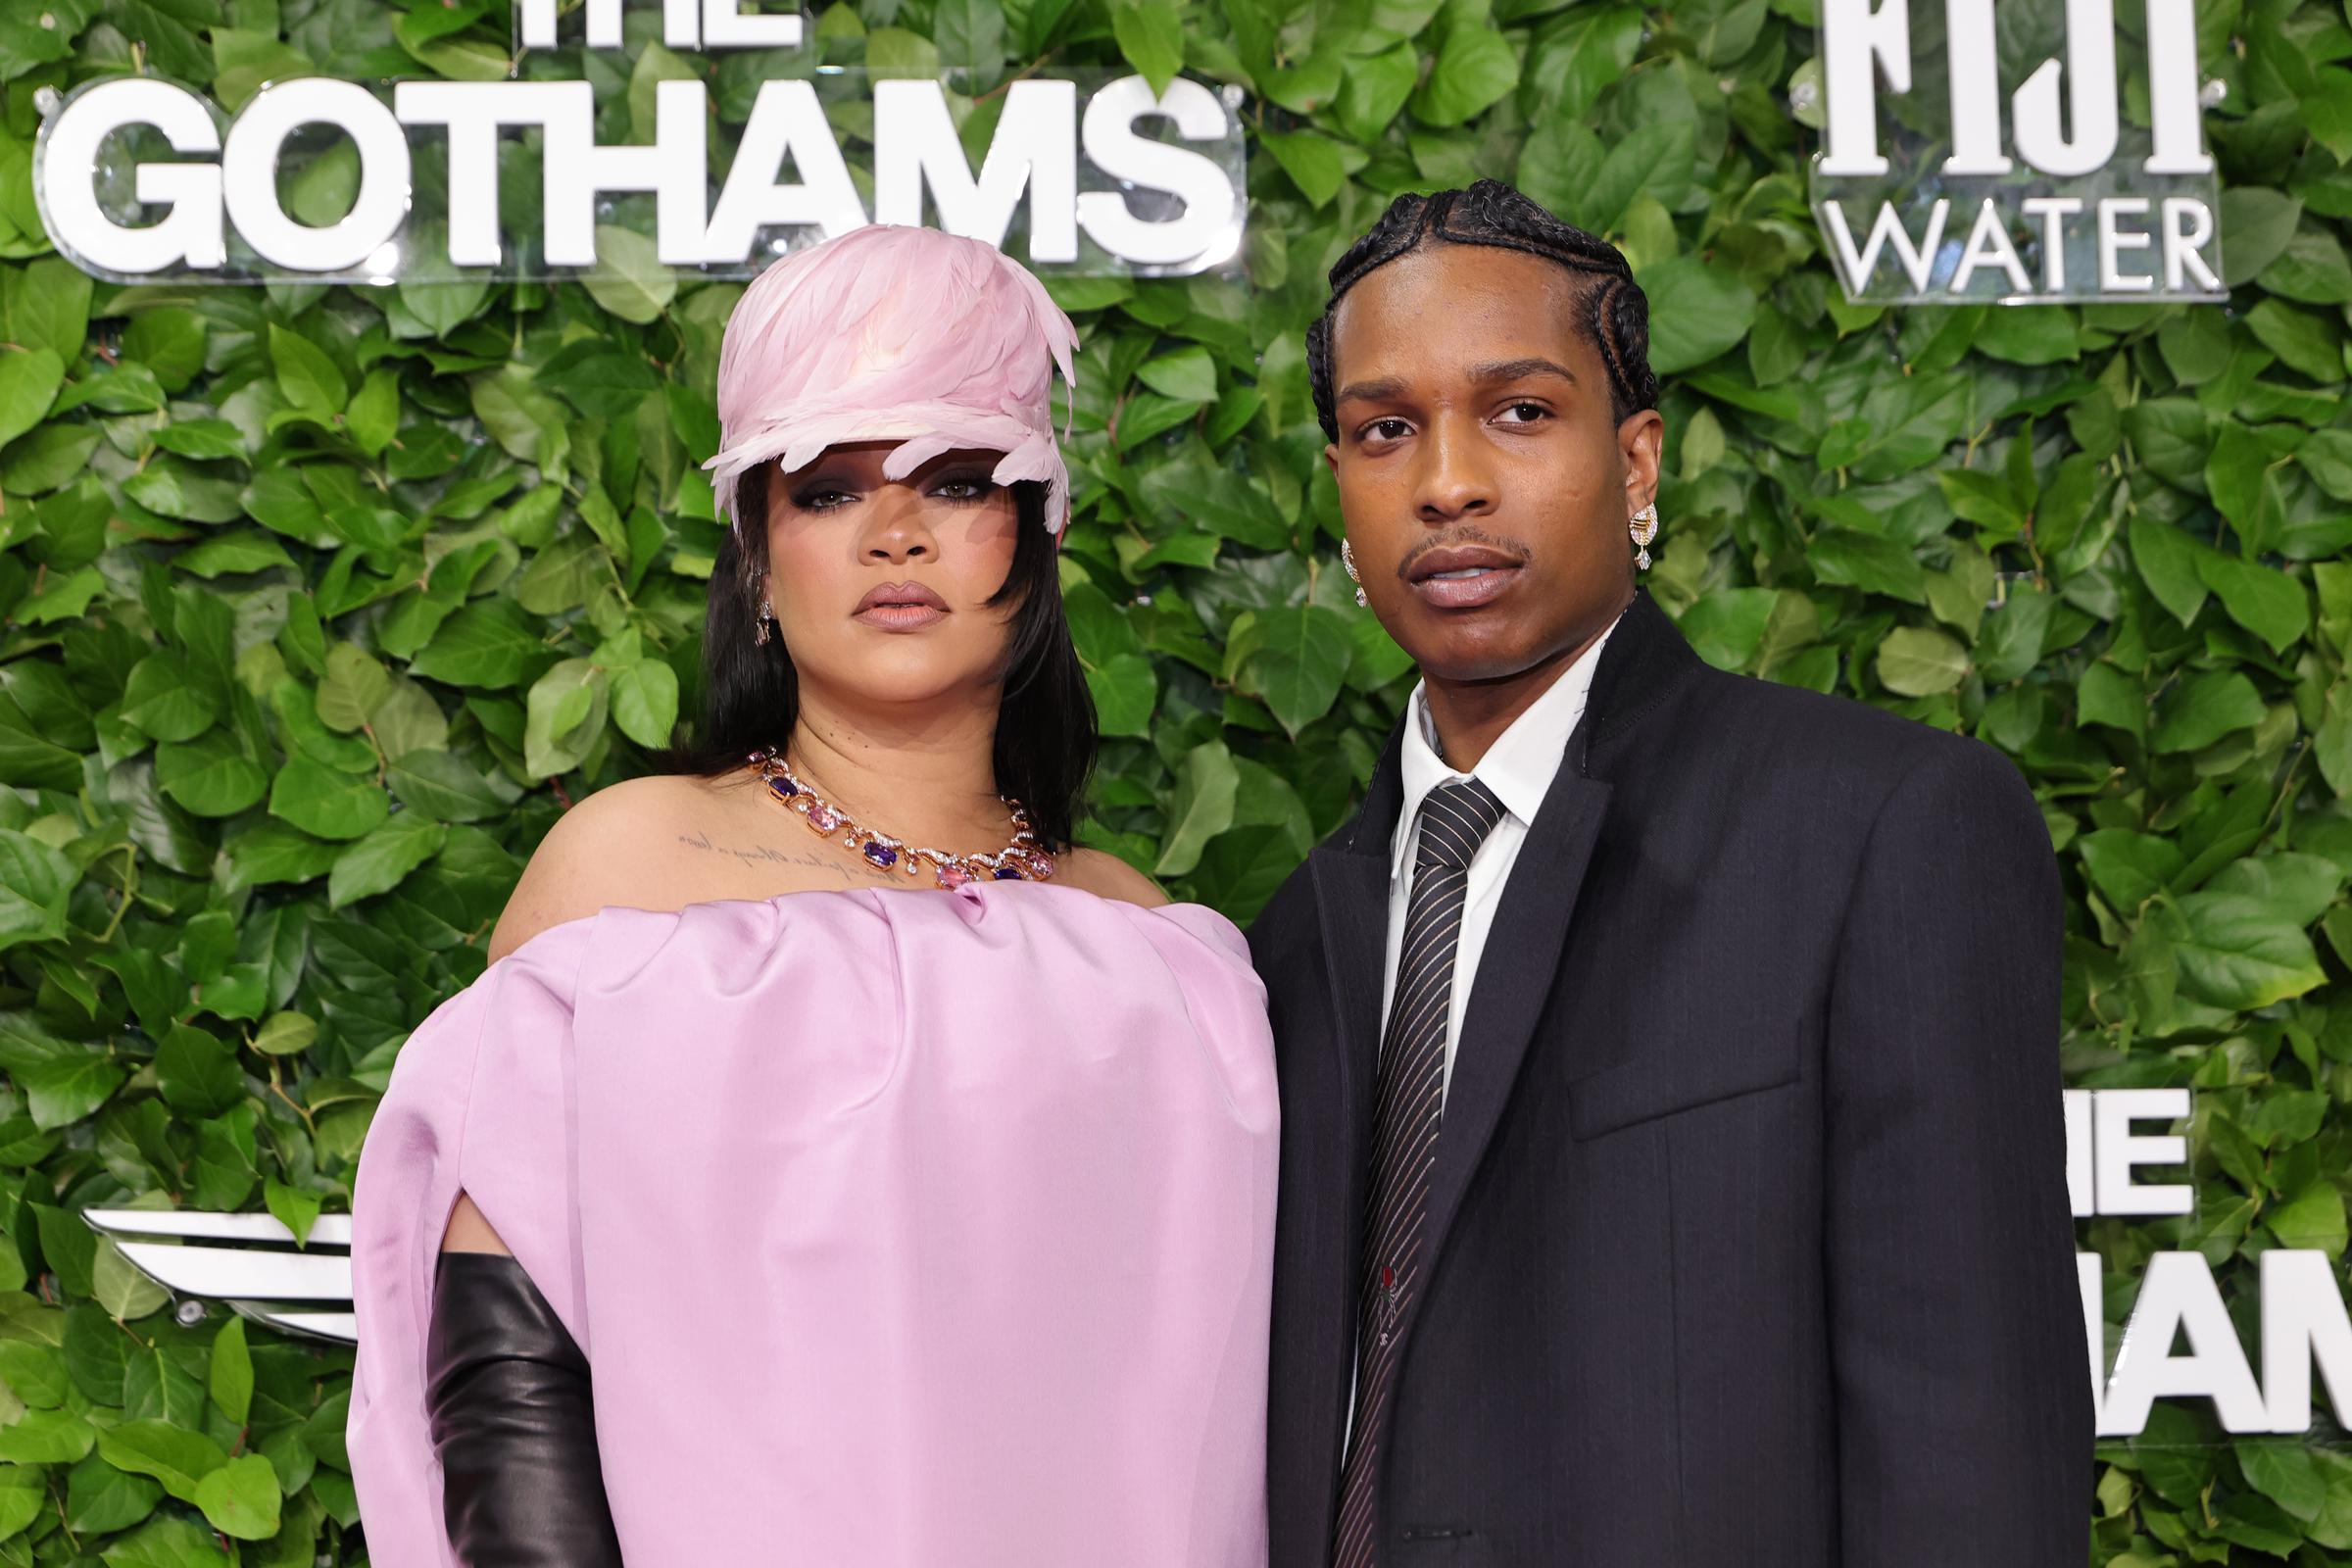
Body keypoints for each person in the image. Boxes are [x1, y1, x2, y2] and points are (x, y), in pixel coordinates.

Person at [346, 223, 1279, 1567]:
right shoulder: (630, 874)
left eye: (959, 482)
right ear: (757, 563)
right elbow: (513, 1378)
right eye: (830, 491)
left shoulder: (1156, 951)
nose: (897, 533)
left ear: (1039, 534)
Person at [1245, 178, 2088, 1566]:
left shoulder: (1883, 831)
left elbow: (1973, 1451)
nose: (1447, 479)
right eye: (1384, 429)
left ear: (1638, 466)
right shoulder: (1293, 940)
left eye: (1519, 411)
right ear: (1339, 486)